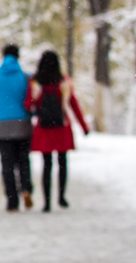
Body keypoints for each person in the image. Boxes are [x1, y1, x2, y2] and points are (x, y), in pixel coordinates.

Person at [24, 50, 90, 212]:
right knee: (62, 163)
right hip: (62, 127)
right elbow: (74, 105)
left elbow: (28, 105)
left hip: (44, 128)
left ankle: (46, 202)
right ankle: (61, 197)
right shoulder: (63, 82)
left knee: (46, 165)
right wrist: (84, 126)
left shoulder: (36, 83)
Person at [0, 44, 34, 212]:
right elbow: (32, 103)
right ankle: (26, 189)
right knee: (23, 161)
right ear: (18, 57)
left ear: (2, 56)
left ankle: (12, 200)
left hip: (2, 126)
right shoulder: (26, 78)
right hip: (23, 125)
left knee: (7, 164)